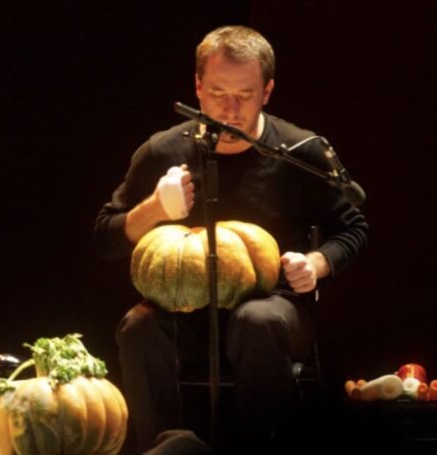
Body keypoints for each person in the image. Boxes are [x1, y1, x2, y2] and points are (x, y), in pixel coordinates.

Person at [94, 25, 367, 452]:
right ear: (198, 87)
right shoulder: (163, 152)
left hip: (273, 309)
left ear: (268, 91)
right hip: (186, 309)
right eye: (219, 93)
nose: (231, 110)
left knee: (254, 321)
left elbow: (354, 228)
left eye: (246, 95)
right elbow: (105, 238)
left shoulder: (299, 153)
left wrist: (314, 265)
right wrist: (154, 209)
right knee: (138, 327)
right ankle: (165, 447)